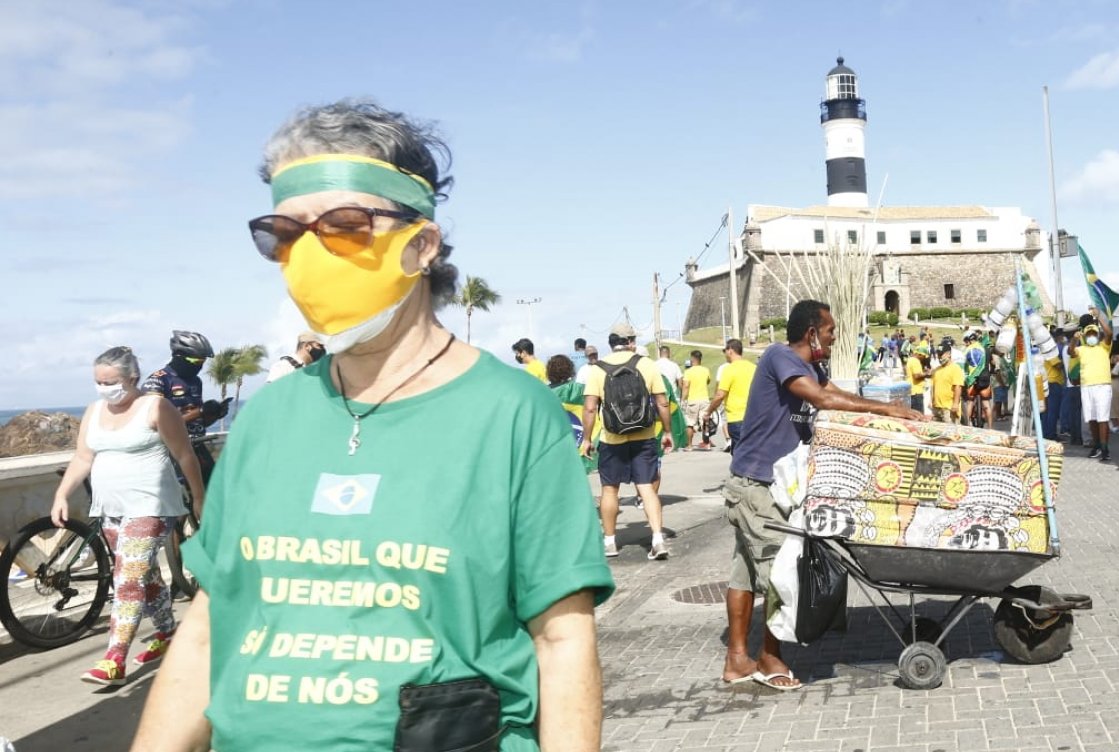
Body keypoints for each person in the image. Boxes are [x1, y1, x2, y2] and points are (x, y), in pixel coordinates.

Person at [134, 100, 611, 752]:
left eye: (346, 225)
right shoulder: (267, 417)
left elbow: (562, 640)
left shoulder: (513, 416)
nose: (309, 253)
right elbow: (211, 627)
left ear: (421, 245)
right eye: (286, 233)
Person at [721, 300, 924, 691]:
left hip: (771, 483)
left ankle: (736, 661)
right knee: (779, 573)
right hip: (756, 484)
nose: (833, 338)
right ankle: (768, 658)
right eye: (829, 331)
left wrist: (883, 417)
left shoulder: (813, 367)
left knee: (744, 572)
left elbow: (838, 396)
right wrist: (888, 410)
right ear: (811, 333)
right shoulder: (780, 357)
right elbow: (822, 400)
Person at [51, 346, 206, 686]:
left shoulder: (155, 406)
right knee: (144, 578)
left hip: (150, 507)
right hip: (110, 508)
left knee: (127, 579)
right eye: (98, 382)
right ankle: (167, 636)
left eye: (111, 381)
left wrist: (198, 497)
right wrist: (62, 495)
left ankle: (114, 659)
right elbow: (82, 458)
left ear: (133, 378)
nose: (104, 388)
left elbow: (185, 454)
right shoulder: (93, 411)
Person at [580, 323, 674, 560]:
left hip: (612, 438)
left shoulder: (597, 369)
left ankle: (610, 543)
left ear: (611, 344)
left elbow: (590, 408)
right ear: (631, 341)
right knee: (646, 488)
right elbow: (662, 402)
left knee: (610, 489)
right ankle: (657, 539)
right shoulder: (646, 364)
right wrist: (667, 432)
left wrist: (587, 439)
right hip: (644, 436)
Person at [143, 330, 224, 485]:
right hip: (170, 452)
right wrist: (199, 412)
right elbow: (153, 425)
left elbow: (197, 424)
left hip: (197, 448)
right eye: (196, 361)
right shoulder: (158, 381)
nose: (200, 366)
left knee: (216, 497)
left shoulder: (196, 382)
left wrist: (212, 415)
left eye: (203, 361)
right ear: (179, 356)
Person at [1069, 318, 1115, 461]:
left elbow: (1109, 333)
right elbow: (1071, 352)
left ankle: (1105, 448)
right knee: (1092, 419)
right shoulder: (1081, 349)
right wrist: (1074, 339)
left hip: (1103, 386)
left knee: (1103, 418)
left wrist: (1099, 317)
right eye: (1088, 334)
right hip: (1087, 387)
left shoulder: (1104, 347)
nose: (1091, 337)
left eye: (1093, 334)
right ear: (1084, 336)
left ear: (1097, 335)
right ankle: (1097, 445)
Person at [706, 339, 756, 451]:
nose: (725, 354)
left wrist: (709, 412)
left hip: (737, 419)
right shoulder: (754, 368)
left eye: (725, 351)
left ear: (730, 351)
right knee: (753, 452)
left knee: (740, 456)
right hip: (754, 418)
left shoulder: (729, 369)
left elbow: (720, 395)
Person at [681, 350, 713, 450]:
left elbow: (686, 386)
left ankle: (690, 445)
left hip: (692, 400)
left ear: (692, 359)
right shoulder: (706, 370)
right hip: (704, 399)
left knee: (690, 423)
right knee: (705, 422)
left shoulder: (688, 372)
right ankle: (706, 443)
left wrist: (683, 399)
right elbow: (707, 381)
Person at [930, 343, 963, 423]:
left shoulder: (955, 368)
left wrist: (955, 404)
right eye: (938, 354)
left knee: (950, 433)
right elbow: (933, 387)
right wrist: (931, 401)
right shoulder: (936, 370)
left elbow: (958, 387)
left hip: (948, 409)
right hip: (937, 408)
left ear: (949, 354)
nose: (939, 357)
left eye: (941, 354)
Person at [906, 346, 929, 414]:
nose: (924, 358)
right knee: (918, 415)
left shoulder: (910, 360)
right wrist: (927, 374)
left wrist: (923, 372)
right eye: (924, 356)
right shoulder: (916, 361)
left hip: (912, 391)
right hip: (916, 392)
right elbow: (916, 376)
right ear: (920, 354)